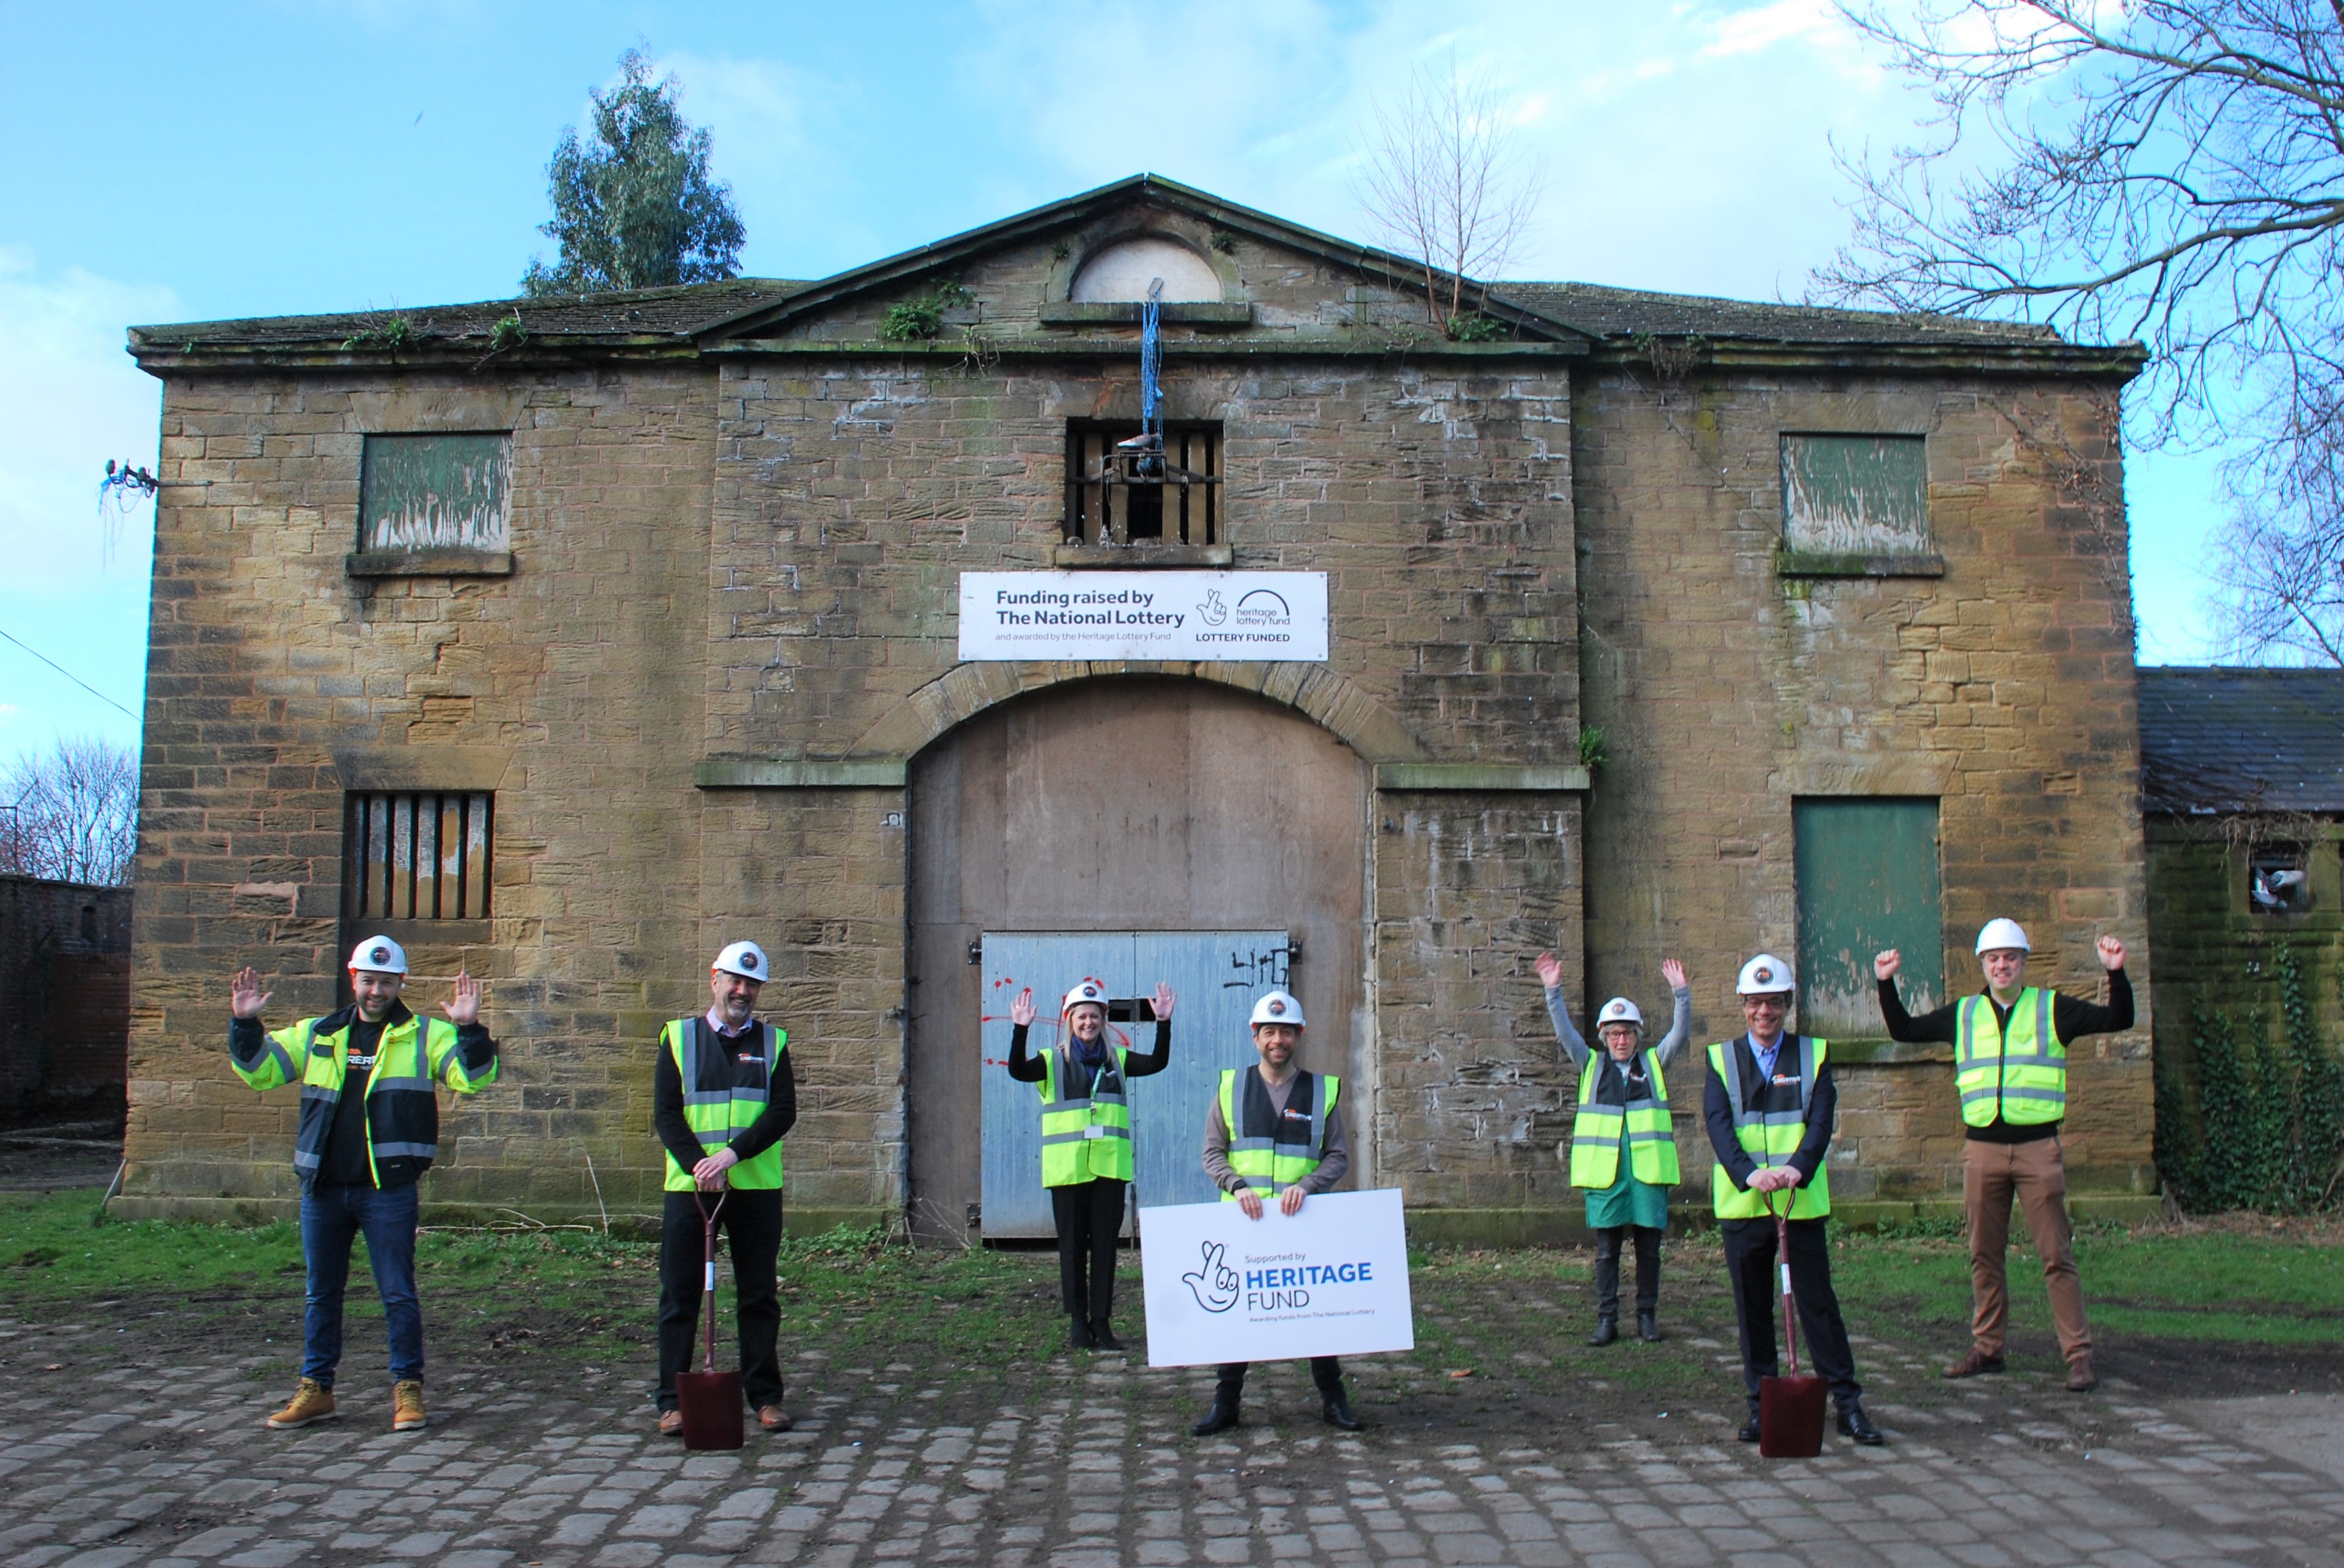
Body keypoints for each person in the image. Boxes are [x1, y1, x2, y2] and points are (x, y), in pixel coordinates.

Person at [228, 936, 499, 1432]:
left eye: (387, 982)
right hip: (324, 1188)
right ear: (354, 979)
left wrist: (469, 1029)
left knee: (397, 1293)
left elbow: (473, 1078)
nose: (377, 991)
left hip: (388, 1189)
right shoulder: (319, 1033)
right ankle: (317, 1389)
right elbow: (260, 1072)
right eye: (369, 981)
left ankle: (408, 1391)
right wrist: (245, 1023)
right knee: (320, 1293)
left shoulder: (425, 1035)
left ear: (400, 985)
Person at [1874, 920, 2131, 1393]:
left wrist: (2115, 972)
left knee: (2055, 1255)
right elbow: (1905, 1029)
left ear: (2023, 962)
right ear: (1982, 964)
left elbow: (2117, 1019)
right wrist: (1885, 983)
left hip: (2037, 1149)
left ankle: (2078, 1356)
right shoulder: (1965, 1014)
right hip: (1982, 1150)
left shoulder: (2051, 1008)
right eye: (1993, 958)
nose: (2001, 965)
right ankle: (1987, 1348)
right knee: (1983, 1254)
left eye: (2010, 957)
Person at [1703, 953, 1883, 1447]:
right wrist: (1749, 1175)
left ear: (1786, 1003)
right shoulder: (1720, 1059)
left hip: (1796, 1205)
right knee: (1754, 1309)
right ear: (1743, 1005)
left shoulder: (1813, 1055)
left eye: (1774, 1002)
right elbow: (1718, 1127)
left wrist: (1796, 1169)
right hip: (1746, 1206)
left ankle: (1847, 1405)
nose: (1765, 1012)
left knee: (1818, 1307)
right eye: (1756, 1003)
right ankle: (1762, 1406)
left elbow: (1822, 1123)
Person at [1189, 988, 1361, 1435]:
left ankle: (1333, 1400)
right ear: (1255, 1036)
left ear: (1298, 1035)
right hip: (1244, 1223)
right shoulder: (1230, 1087)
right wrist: (1236, 1185)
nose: (1277, 1040)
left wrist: (1307, 1185)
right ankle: (1225, 1403)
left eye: (1286, 1032)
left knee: (1315, 1313)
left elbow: (1337, 1156)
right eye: (1269, 1031)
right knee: (1237, 1316)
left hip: (1302, 1224)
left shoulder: (1321, 1090)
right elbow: (1212, 1153)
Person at [653, 940, 797, 1436]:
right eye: (734, 980)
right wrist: (699, 1165)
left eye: (752, 984)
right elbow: (666, 1113)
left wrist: (733, 1155)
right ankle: (672, 1401)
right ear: (714, 979)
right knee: (680, 1294)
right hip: (691, 1189)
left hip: (755, 1187)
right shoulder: (676, 1038)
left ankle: (765, 1397)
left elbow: (783, 1112)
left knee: (758, 1296)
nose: (742, 991)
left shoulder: (773, 1043)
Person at [1006, 976, 1176, 1350]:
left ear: (1104, 1020)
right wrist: (1021, 1030)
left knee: (1104, 1248)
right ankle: (1077, 1324)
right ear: (1070, 1020)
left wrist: (1163, 1022)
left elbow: (1159, 1062)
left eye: (1095, 1016)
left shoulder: (1120, 1060)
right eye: (1081, 1017)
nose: (1089, 1023)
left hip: (1109, 1171)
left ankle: (1102, 1322)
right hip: (1068, 1172)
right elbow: (1017, 1070)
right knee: (1071, 1248)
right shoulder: (1052, 1062)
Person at [1538, 953, 1691, 1345]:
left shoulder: (1655, 1062)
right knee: (1607, 1253)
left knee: (1649, 1252)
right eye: (1614, 1034)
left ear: (1638, 1035)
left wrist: (1681, 995)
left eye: (1627, 1033)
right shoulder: (1590, 1064)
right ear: (1604, 1037)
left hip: (1648, 1175)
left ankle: (1647, 1318)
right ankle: (1607, 1320)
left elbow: (1680, 1035)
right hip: (1606, 1177)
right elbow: (1565, 1034)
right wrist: (1553, 990)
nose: (1621, 1040)